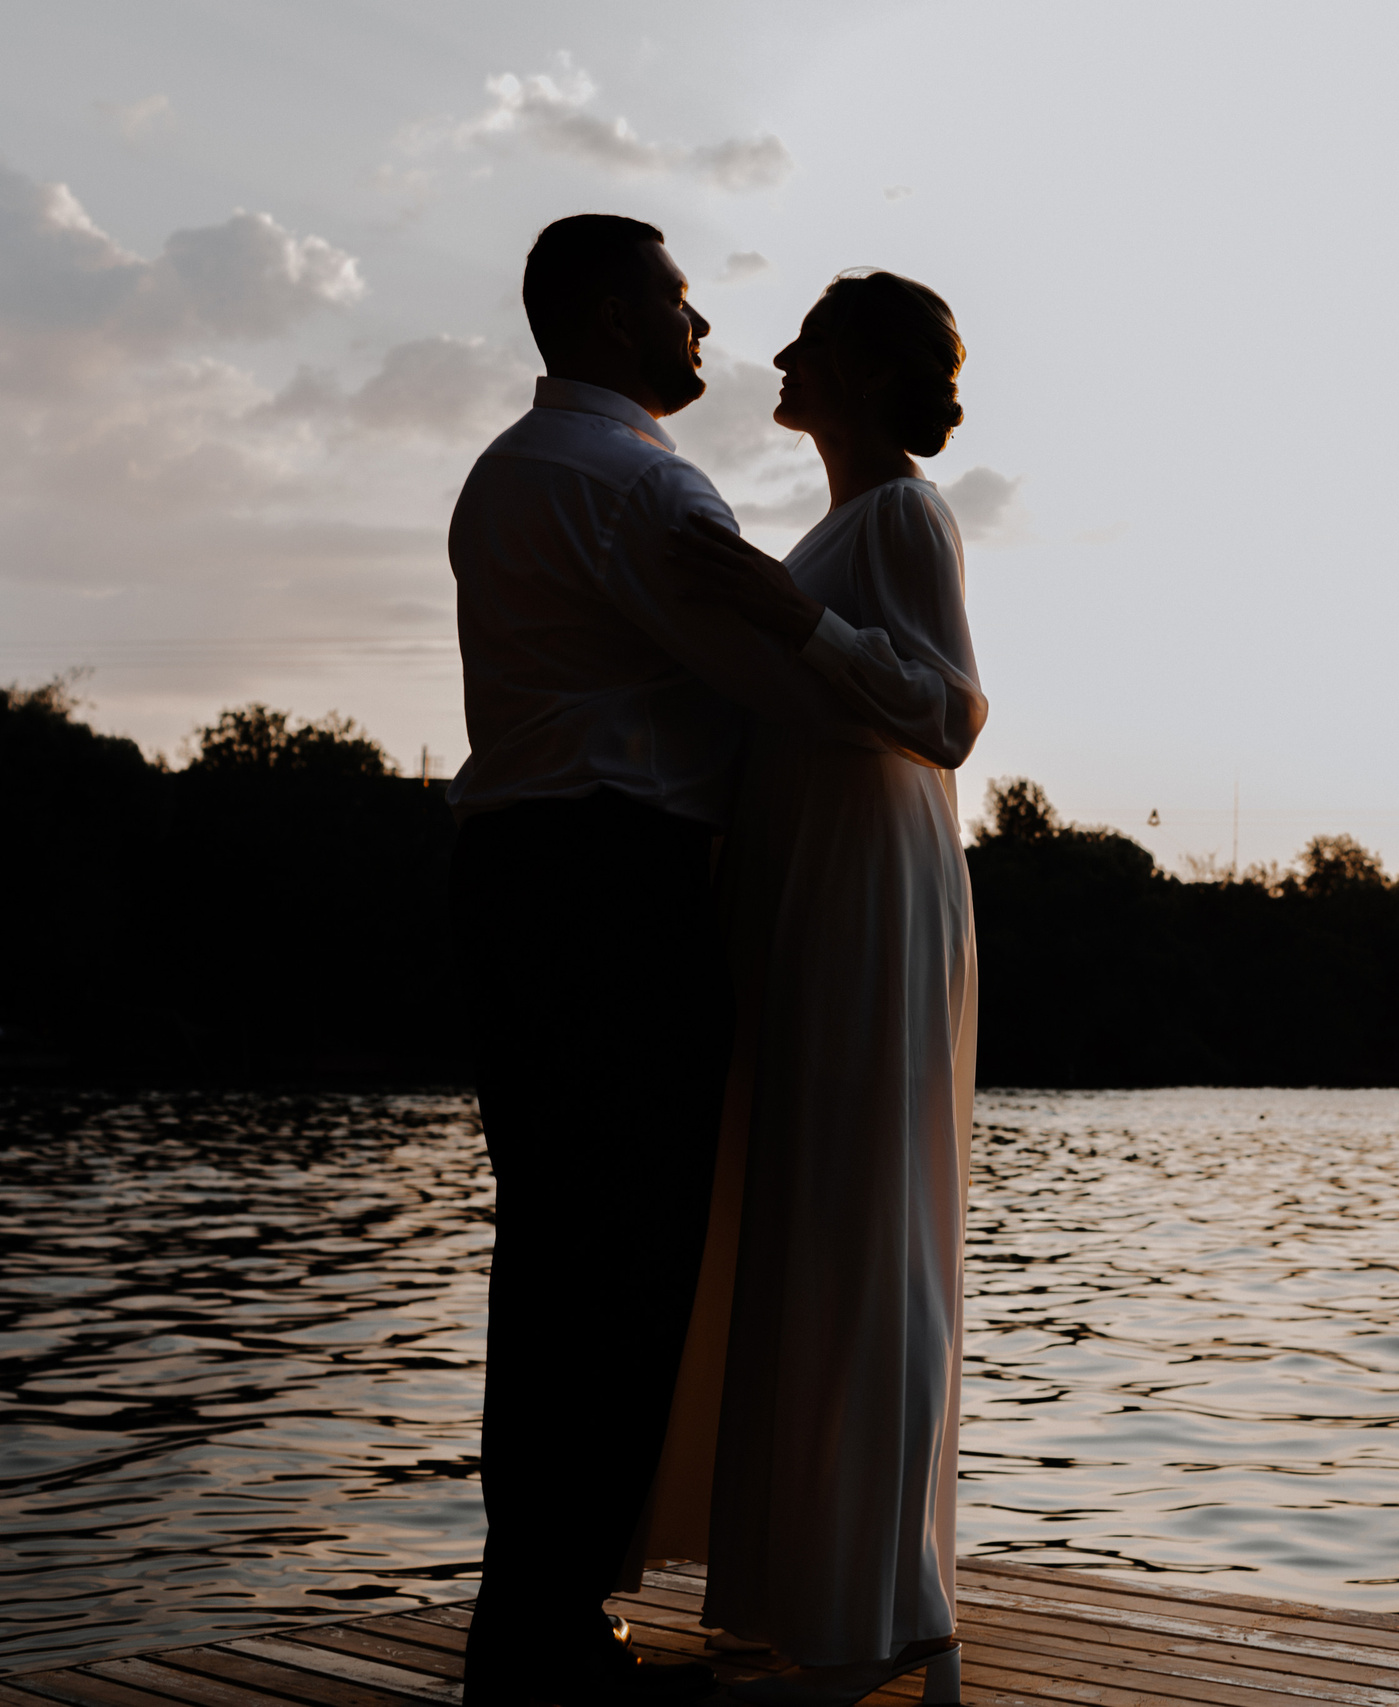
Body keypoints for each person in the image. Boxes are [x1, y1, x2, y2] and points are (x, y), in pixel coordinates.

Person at [447, 218, 945, 1707]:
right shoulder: (647, 485)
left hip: (510, 873)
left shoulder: (505, 473)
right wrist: (820, 642)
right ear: (612, 319)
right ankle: (549, 1633)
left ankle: (522, 1615)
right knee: (627, 1259)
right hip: (618, 884)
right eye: (676, 302)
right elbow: (787, 692)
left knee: (549, 1255)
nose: (704, 325)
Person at [644, 271, 984, 1707]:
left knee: (860, 1206)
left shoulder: (899, 513)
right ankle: (796, 1585)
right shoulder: (834, 524)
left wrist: (793, 626)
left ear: (850, 368)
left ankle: (881, 1600)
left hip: (868, 876)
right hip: (803, 874)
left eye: (804, 339)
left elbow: (951, 712)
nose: (774, 353)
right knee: (801, 1205)